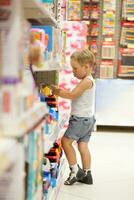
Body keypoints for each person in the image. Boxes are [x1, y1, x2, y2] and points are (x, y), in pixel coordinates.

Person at [51, 48, 96, 185]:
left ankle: (75, 170)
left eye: (75, 68)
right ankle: (87, 174)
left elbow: (72, 95)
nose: (73, 71)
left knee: (65, 142)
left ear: (86, 66)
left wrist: (55, 90)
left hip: (80, 120)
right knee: (83, 145)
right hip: (88, 119)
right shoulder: (88, 80)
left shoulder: (86, 81)